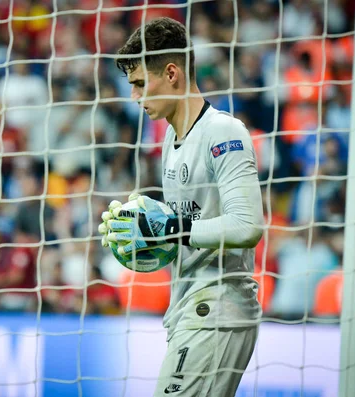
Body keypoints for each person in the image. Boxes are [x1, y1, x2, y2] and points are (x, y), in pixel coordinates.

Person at [98, 17, 265, 397]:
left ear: (172, 73)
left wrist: (167, 228)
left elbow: (246, 226)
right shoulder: (171, 141)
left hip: (219, 309)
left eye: (140, 84)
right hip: (190, 307)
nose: (134, 97)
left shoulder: (224, 131)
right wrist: (142, 229)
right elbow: (184, 230)